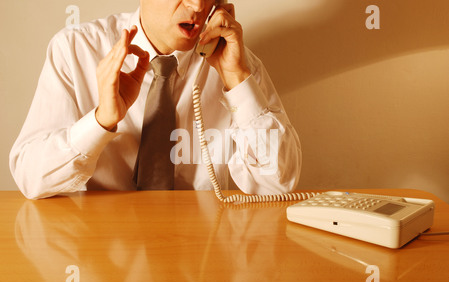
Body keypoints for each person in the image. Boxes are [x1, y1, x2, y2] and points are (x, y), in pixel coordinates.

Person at [9, 0, 302, 200]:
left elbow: (277, 185)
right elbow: (31, 178)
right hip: (103, 255)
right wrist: (100, 121)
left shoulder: (236, 64)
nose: (198, 6)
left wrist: (237, 80)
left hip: (202, 257)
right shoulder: (76, 48)